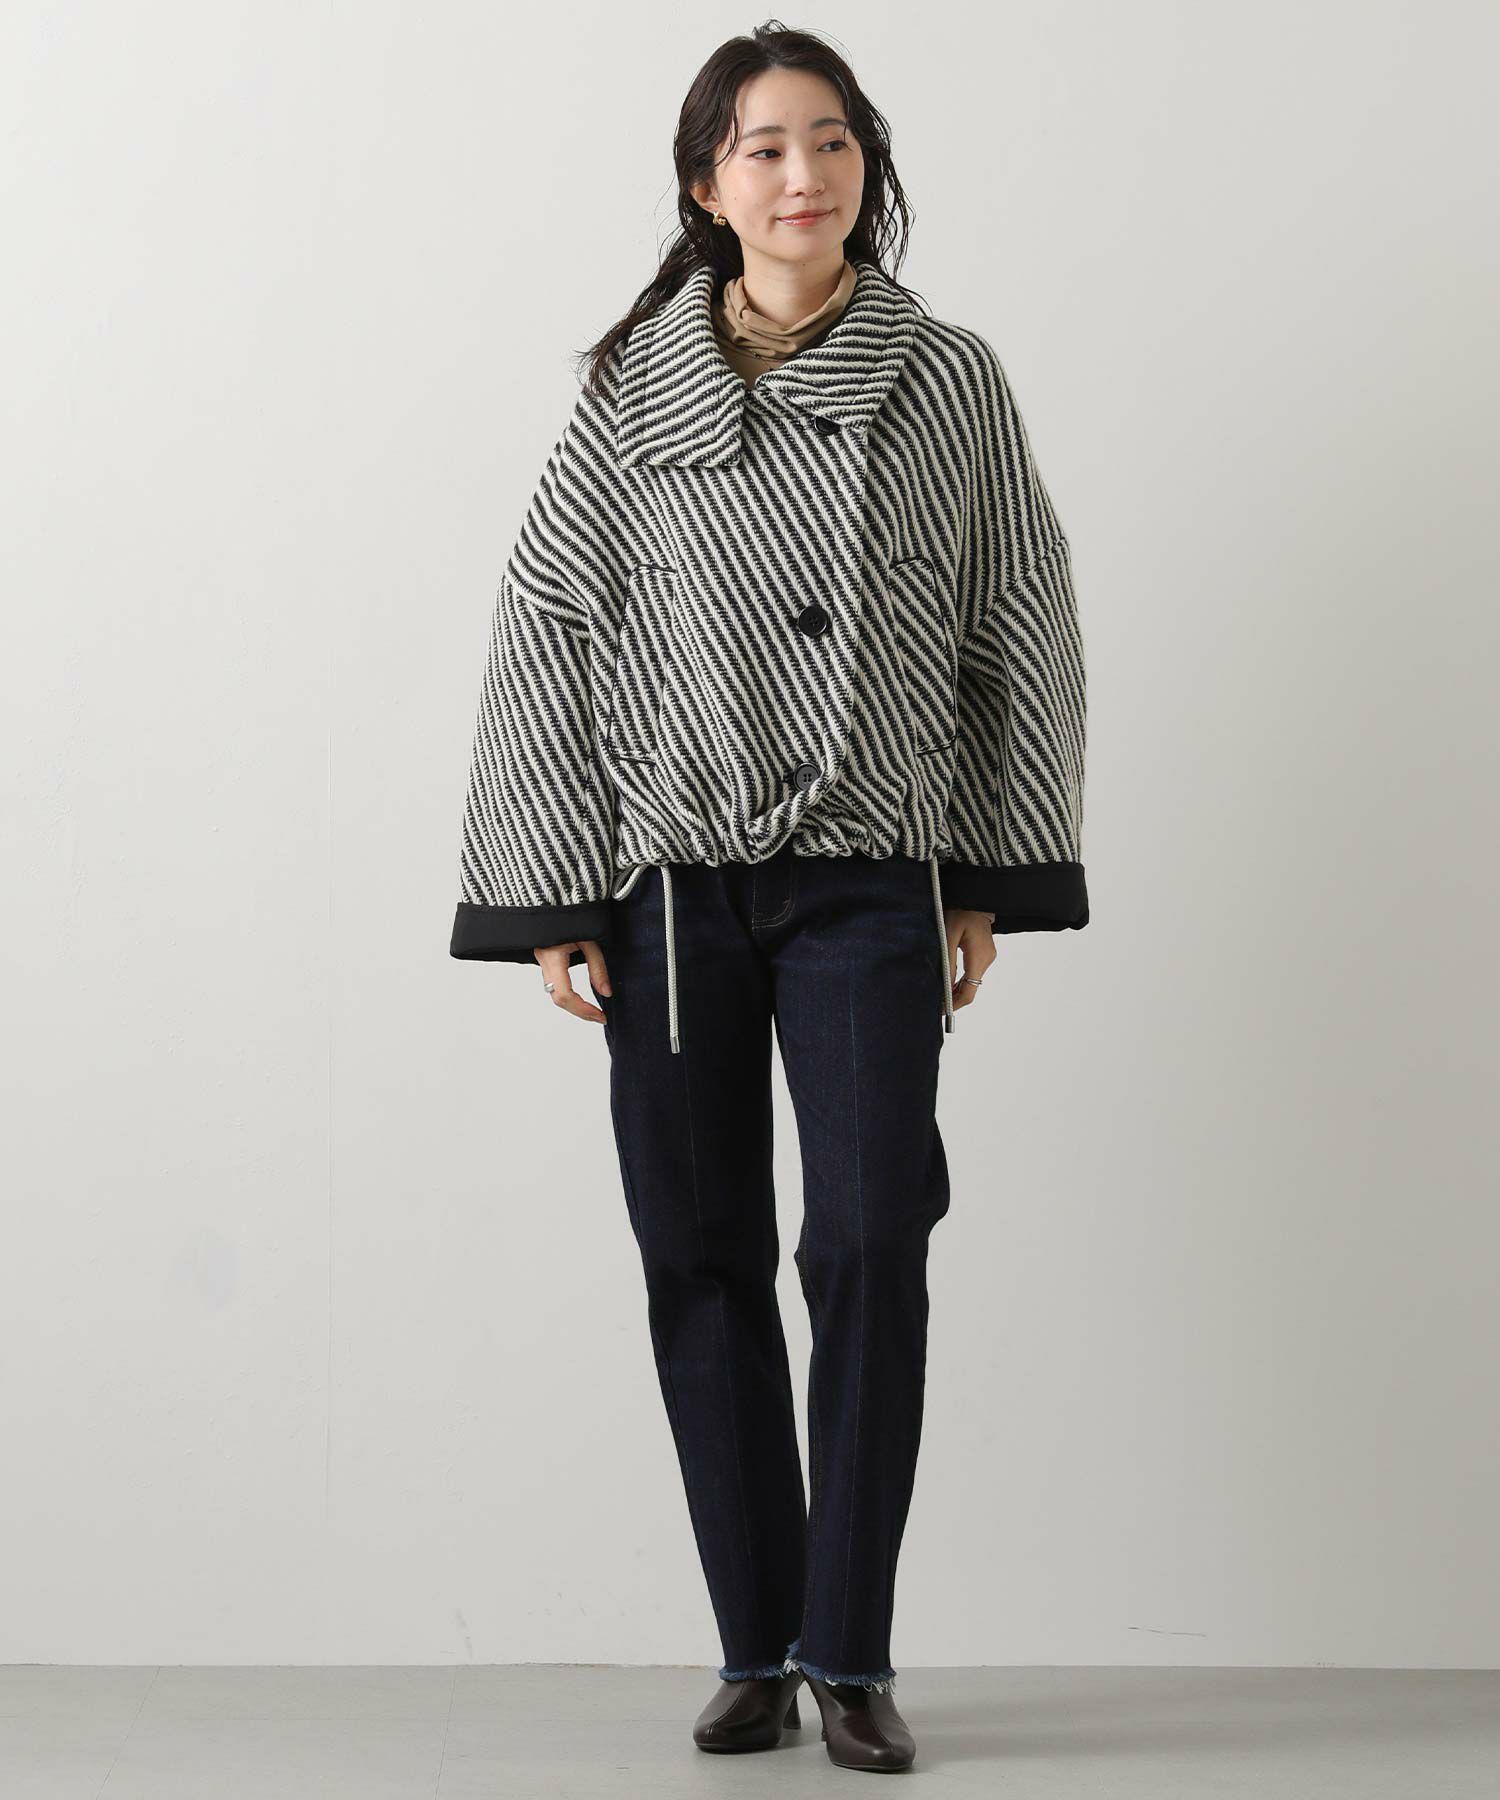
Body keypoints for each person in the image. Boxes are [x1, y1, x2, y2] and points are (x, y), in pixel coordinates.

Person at [448, 23, 1088, 1774]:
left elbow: (1017, 617)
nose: (805, 176)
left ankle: (850, 1651)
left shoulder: (946, 378)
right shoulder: (635, 389)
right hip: (668, 891)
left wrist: (986, 871)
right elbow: (548, 626)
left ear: (867, 165)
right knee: (698, 1250)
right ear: (705, 185)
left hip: (873, 876)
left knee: (872, 1239)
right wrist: (554, 888)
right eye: (764, 148)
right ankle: (755, 1641)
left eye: (832, 142)